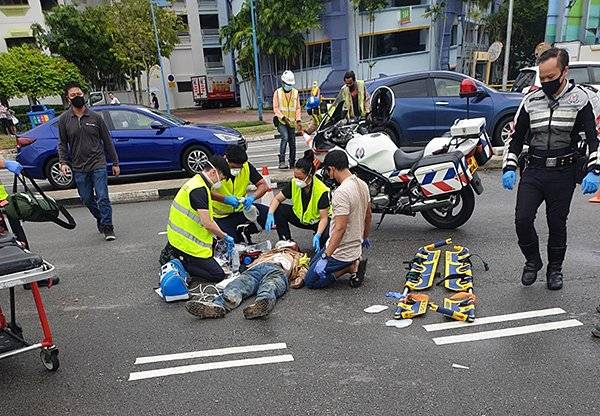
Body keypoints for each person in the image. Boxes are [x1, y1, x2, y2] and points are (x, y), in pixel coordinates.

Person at [501, 48, 600, 290]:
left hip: (562, 172)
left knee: (557, 223)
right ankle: (532, 261)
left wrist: (595, 169)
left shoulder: (581, 99)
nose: (545, 82)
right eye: (542, 78)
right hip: (534, 170)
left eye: (550, 77)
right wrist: (509, 166)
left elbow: (593, 138)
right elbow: (516, 137)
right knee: (522, 219)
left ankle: (555, 269)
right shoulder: (531, 100)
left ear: (564, 71)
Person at [58, 82, 120, 241]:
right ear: (68, 98)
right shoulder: (64, 119)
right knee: (86, 198)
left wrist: (115, 163)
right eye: (73, 95)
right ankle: (100, 217)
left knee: (102, 197)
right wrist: (63, 162)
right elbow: (62, 143)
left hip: (98, 163)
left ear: (83, 94)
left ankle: (108, 227)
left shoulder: (95, 118)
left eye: (79, 94)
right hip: (78, 166)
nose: (77, 97)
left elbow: (107, 141)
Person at [161, 155, 235, 285]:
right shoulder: (199, 190)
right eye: (222, 178)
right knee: (218, 275)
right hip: (187, 244)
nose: (221, 182)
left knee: (215, 252)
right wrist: (224, 236)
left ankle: (180, 256)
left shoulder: (197, 182)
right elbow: (207, 223)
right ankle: (182, 263)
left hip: (178, 238)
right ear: (213, 172)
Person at [304, 150, 371, 289]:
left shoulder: (341, 193)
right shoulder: (362, 184)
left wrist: (326, 257)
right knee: (312, 266)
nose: (329, 175)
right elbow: (368, 215)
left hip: (342, 252)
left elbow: (340, 229)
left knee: (311, 281)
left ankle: (348, 268)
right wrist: (364, 237)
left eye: (328, 171)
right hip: (354, 247)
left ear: (332, 169)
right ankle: (351, 262)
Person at [184, 245, 309, 319]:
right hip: (256, 270)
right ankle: (217, 306)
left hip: (278, 271)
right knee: (237, 286)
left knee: (270, 286)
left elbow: (302, 276)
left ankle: (262, 304)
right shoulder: (268, 253)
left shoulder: (298, 257)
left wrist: (299, 278)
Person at [265, 150, 331, 251]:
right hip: (301, 218)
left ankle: (322, 244)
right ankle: (287, 242)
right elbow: (277, 199)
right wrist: (270, 214)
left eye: (299, 178)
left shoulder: (321, 190)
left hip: (317, 221)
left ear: (309, 175)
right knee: (279, 209)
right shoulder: (294, 184)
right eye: (295, 177)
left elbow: (324, 218)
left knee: (325, 241)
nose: (296, 180)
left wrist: (318, 234)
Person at [211, 145, 269, 243]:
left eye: (240, 167)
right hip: (221, 216)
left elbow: (263, 185)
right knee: (233, 244)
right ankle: (237, 236)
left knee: (272, 214)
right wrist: (225, 199)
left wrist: (252, 198)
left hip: (241, 210)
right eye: (233, 167)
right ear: (226, 159)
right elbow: (204, 192)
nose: (236, 170)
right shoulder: (215, 169)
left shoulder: (246, 166)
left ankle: (245, 231)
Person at [273, 70, 302, 169]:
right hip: (282, 121)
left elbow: (298, 108)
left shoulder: (295, 93)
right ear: (283, 83)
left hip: (292, 122)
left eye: (290, 84)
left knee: (292, 142)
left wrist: (298, 120)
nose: (289, 86)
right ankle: (281, 161)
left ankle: (292, 163)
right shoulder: (277, 93)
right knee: (285, 137)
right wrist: (283, 118)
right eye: (287, 84)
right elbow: (276, 108)